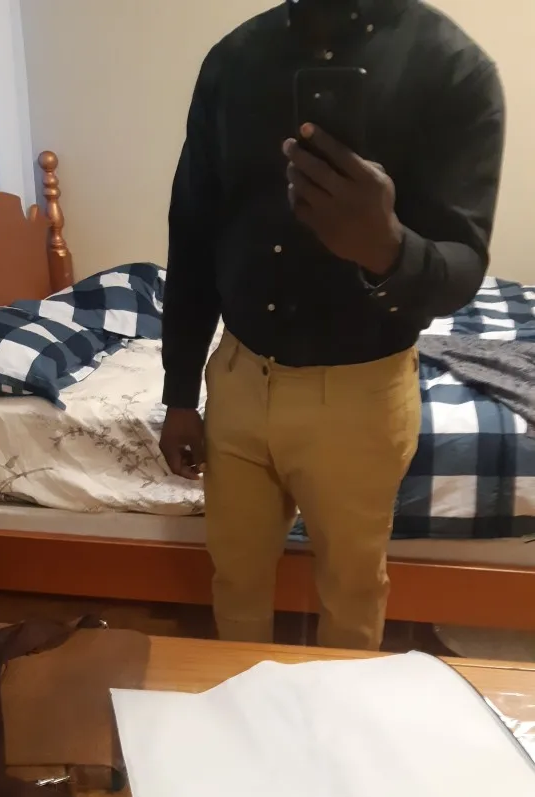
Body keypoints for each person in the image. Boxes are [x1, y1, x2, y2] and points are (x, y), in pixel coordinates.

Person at [160, 0, 504, 650]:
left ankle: (337, 717)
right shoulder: (233, 62)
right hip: (238, 378)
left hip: (361, 394)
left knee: (351, 596)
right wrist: (179, 392)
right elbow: (193, 229)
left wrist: (390, 249)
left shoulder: (452, 67)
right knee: (234, 584)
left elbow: (464, 264)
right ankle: (242, 707)